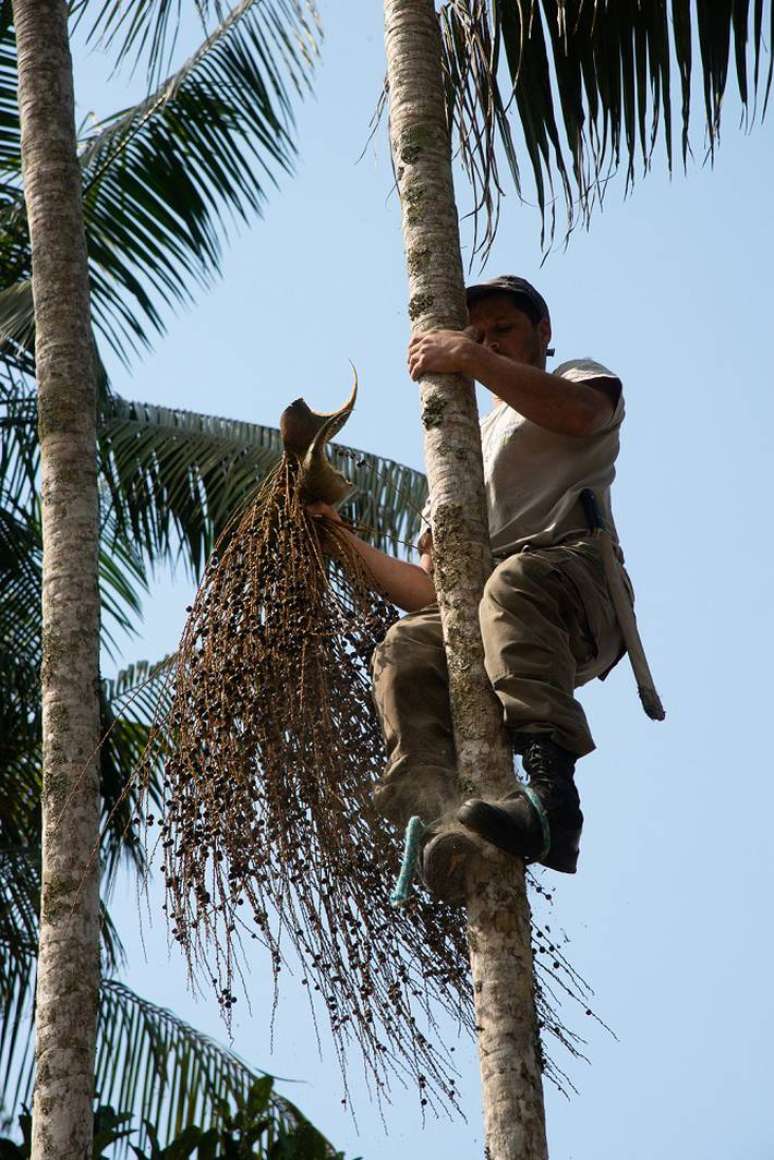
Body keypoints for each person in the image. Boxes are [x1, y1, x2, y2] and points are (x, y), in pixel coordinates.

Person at [310, 276, 628, 901]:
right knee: (405, 647)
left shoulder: (576, 378)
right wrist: (335, 537)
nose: (487, 342)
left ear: (543, 333)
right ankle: (432, 820)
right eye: (475, 332)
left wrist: (468, 355)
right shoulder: (459, 452)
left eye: (502, 330)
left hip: (574, 586)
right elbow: (435, 591)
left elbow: (581, 414)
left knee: (509, 586)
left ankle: (552, 807)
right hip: (496, 615)